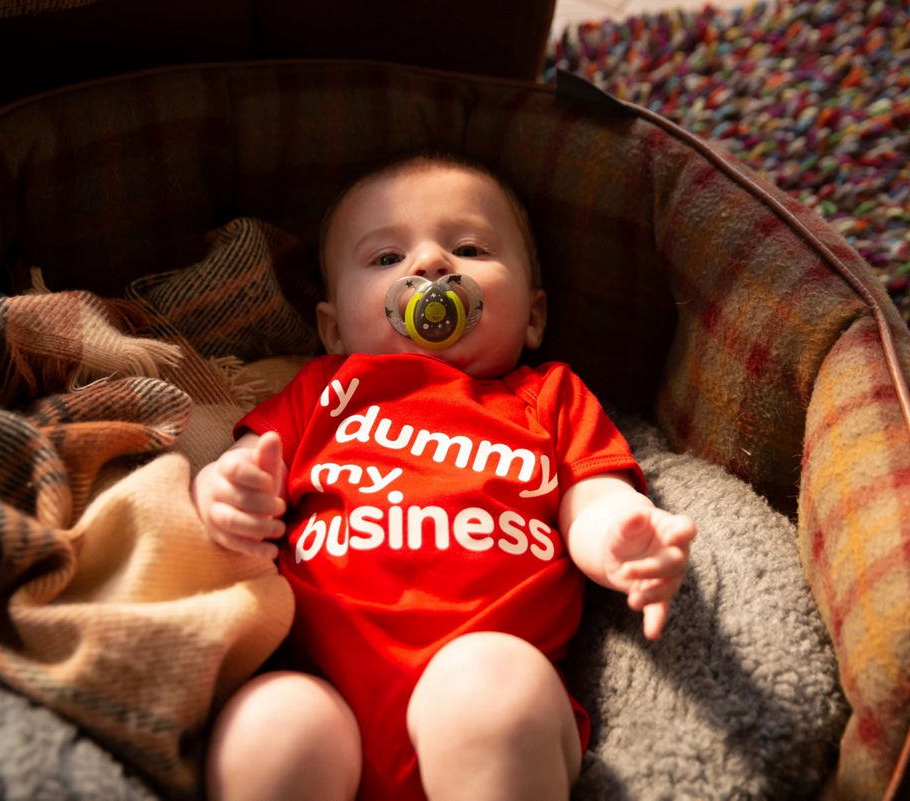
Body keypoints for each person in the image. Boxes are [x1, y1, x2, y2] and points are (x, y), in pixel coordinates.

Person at [192, 154, 697, 801]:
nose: (429, 264)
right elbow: (240, 467)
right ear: (333, 329)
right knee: (273, 722)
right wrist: (226, 494)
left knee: (489, 684)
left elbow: (592, 494)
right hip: (328, 694)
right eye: (384, 259)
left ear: (534, 316)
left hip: (487, 703)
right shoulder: (322, 392)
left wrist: (617, 537)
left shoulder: (548, 395)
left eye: (468, 246)